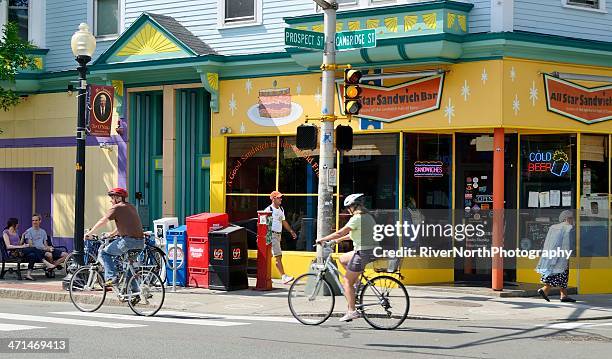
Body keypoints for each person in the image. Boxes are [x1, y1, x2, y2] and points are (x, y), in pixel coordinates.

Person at [317, 193, 377, 322]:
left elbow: (341, 231)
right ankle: (355, 284)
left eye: (349, 207)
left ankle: (352, 311)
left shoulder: (356, 218)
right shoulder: (368, 217)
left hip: (362, 253)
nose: (348, 210)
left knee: (346, 282)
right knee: (342, 259)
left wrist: (323, 239)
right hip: (370, 251)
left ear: (354, 207)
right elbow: (352, 234)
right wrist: (337, 241)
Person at [84, 187, 144, 288]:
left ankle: (111, 277)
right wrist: (112, 234)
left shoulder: (116, 208)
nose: (111, 200)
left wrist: (90, 232)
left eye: (112, 198)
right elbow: (126, 224)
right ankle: (135, 294)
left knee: (104, 254)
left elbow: (103, 221)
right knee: (129, 266)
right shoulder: (131, 207)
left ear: (118, 198)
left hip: (128, 242)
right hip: (140, 243)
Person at [536, 210, 576, 303]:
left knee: (561, 274)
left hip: (552, 254)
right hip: (561, 255)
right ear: (566, 218)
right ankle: (545, 289)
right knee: (558, 274)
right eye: (571, 218)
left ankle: (564, 295)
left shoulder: (553, 227)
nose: (572, 220)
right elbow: (566, 243)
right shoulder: (568, 228)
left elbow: (548, 241)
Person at [264, 191, 297, 284]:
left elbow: (283, 221)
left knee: (272, 256)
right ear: (273, 199)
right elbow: (264, 224)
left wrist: (291, 231)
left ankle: (266, 275)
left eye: (281, 197)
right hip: (272, 235)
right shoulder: (268, 210)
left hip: (277, 235)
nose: (281, 199)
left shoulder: (281, 209)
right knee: (278, 256)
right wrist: (269, 236)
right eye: (278, 198)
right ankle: (283, 276)